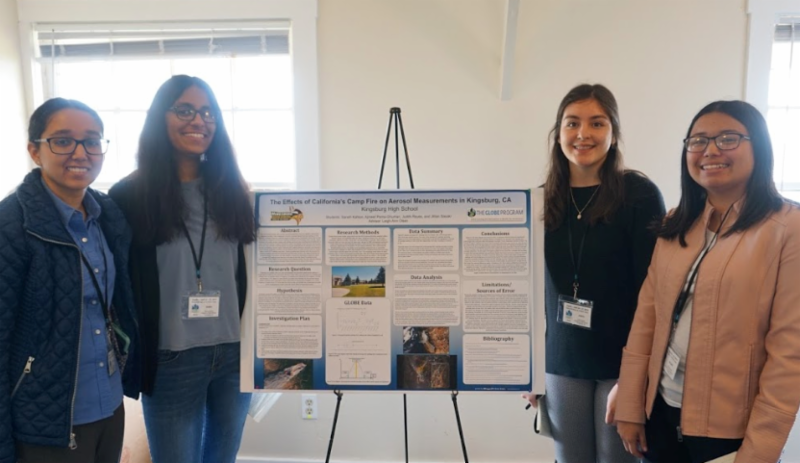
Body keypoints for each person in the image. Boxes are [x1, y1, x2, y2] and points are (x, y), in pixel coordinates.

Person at [612, 100, 800, 463]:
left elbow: (789, 353)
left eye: (728, 138)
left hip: (730, 430)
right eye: (697, 141)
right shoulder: (676, 223)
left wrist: (760, 451)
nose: (710, 150)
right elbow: (646, 320)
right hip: (661, 413)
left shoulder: (788, 228)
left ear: (758, 146)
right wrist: (632, 406)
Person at [109, 75, 255, 463]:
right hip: (172, 356)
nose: (199, 120)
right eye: (185, 110)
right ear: (161, 117)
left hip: (235, 351)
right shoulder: (128, 197)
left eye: (208, 112)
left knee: (222, 457)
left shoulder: (235, 192)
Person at [523, 83, 665, 463]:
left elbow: (655, 289)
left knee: (616, 459)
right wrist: (526, 367)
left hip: (622, 361)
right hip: (562, 360)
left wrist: (641, 370)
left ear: (613, 133)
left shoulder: (638, 194)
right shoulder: (539, 201)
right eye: (572, 123)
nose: (583, 134)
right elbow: (527, 291)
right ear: (558, 134)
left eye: (597, 123)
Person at [0, 98, 140, 463]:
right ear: (35, 150)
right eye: (62, 140)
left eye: (92, 141)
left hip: (109, 403)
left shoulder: (108, 215)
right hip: (46, 418)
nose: (80, 152)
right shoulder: (11, 226)